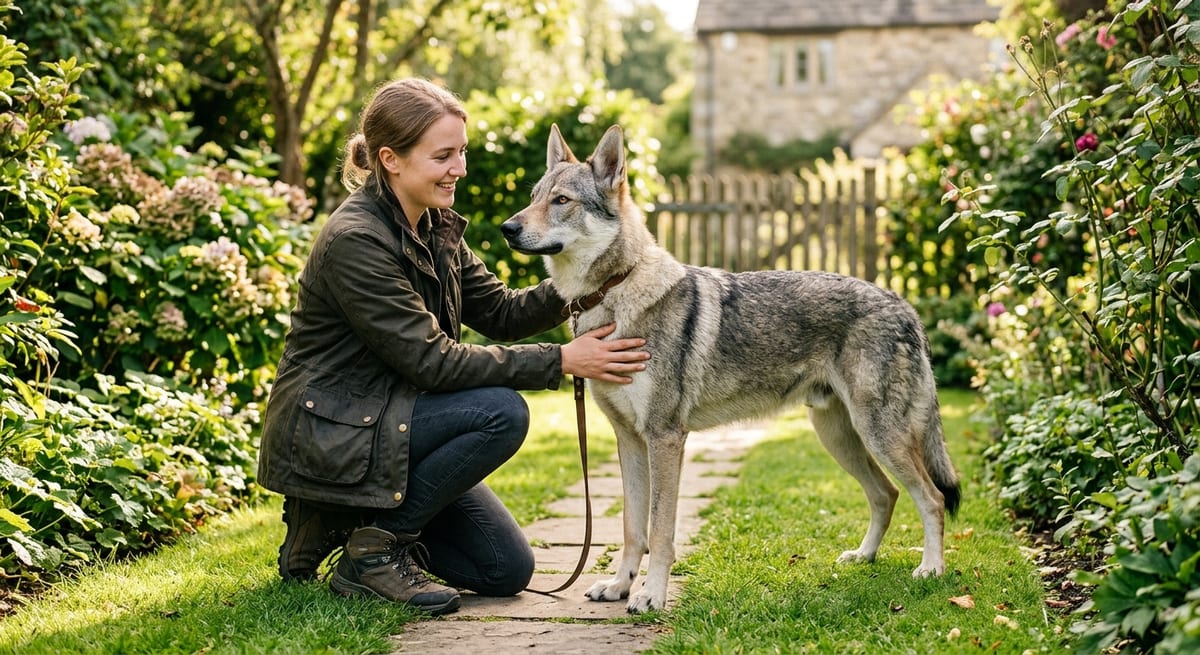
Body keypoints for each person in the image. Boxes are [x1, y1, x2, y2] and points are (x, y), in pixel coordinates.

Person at [256, 78, 649, 616]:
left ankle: (347, 520)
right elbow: (432, 361)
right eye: (444, 155)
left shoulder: (436, 224)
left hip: (391, 420)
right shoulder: (356, 241)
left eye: (460, 152)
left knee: (504, 570)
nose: (459, 168)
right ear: (391, 160)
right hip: (336, 429)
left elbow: (502, 312)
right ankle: (370, 553)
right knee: (501, 413)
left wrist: (592, 276)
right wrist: (560, 360)